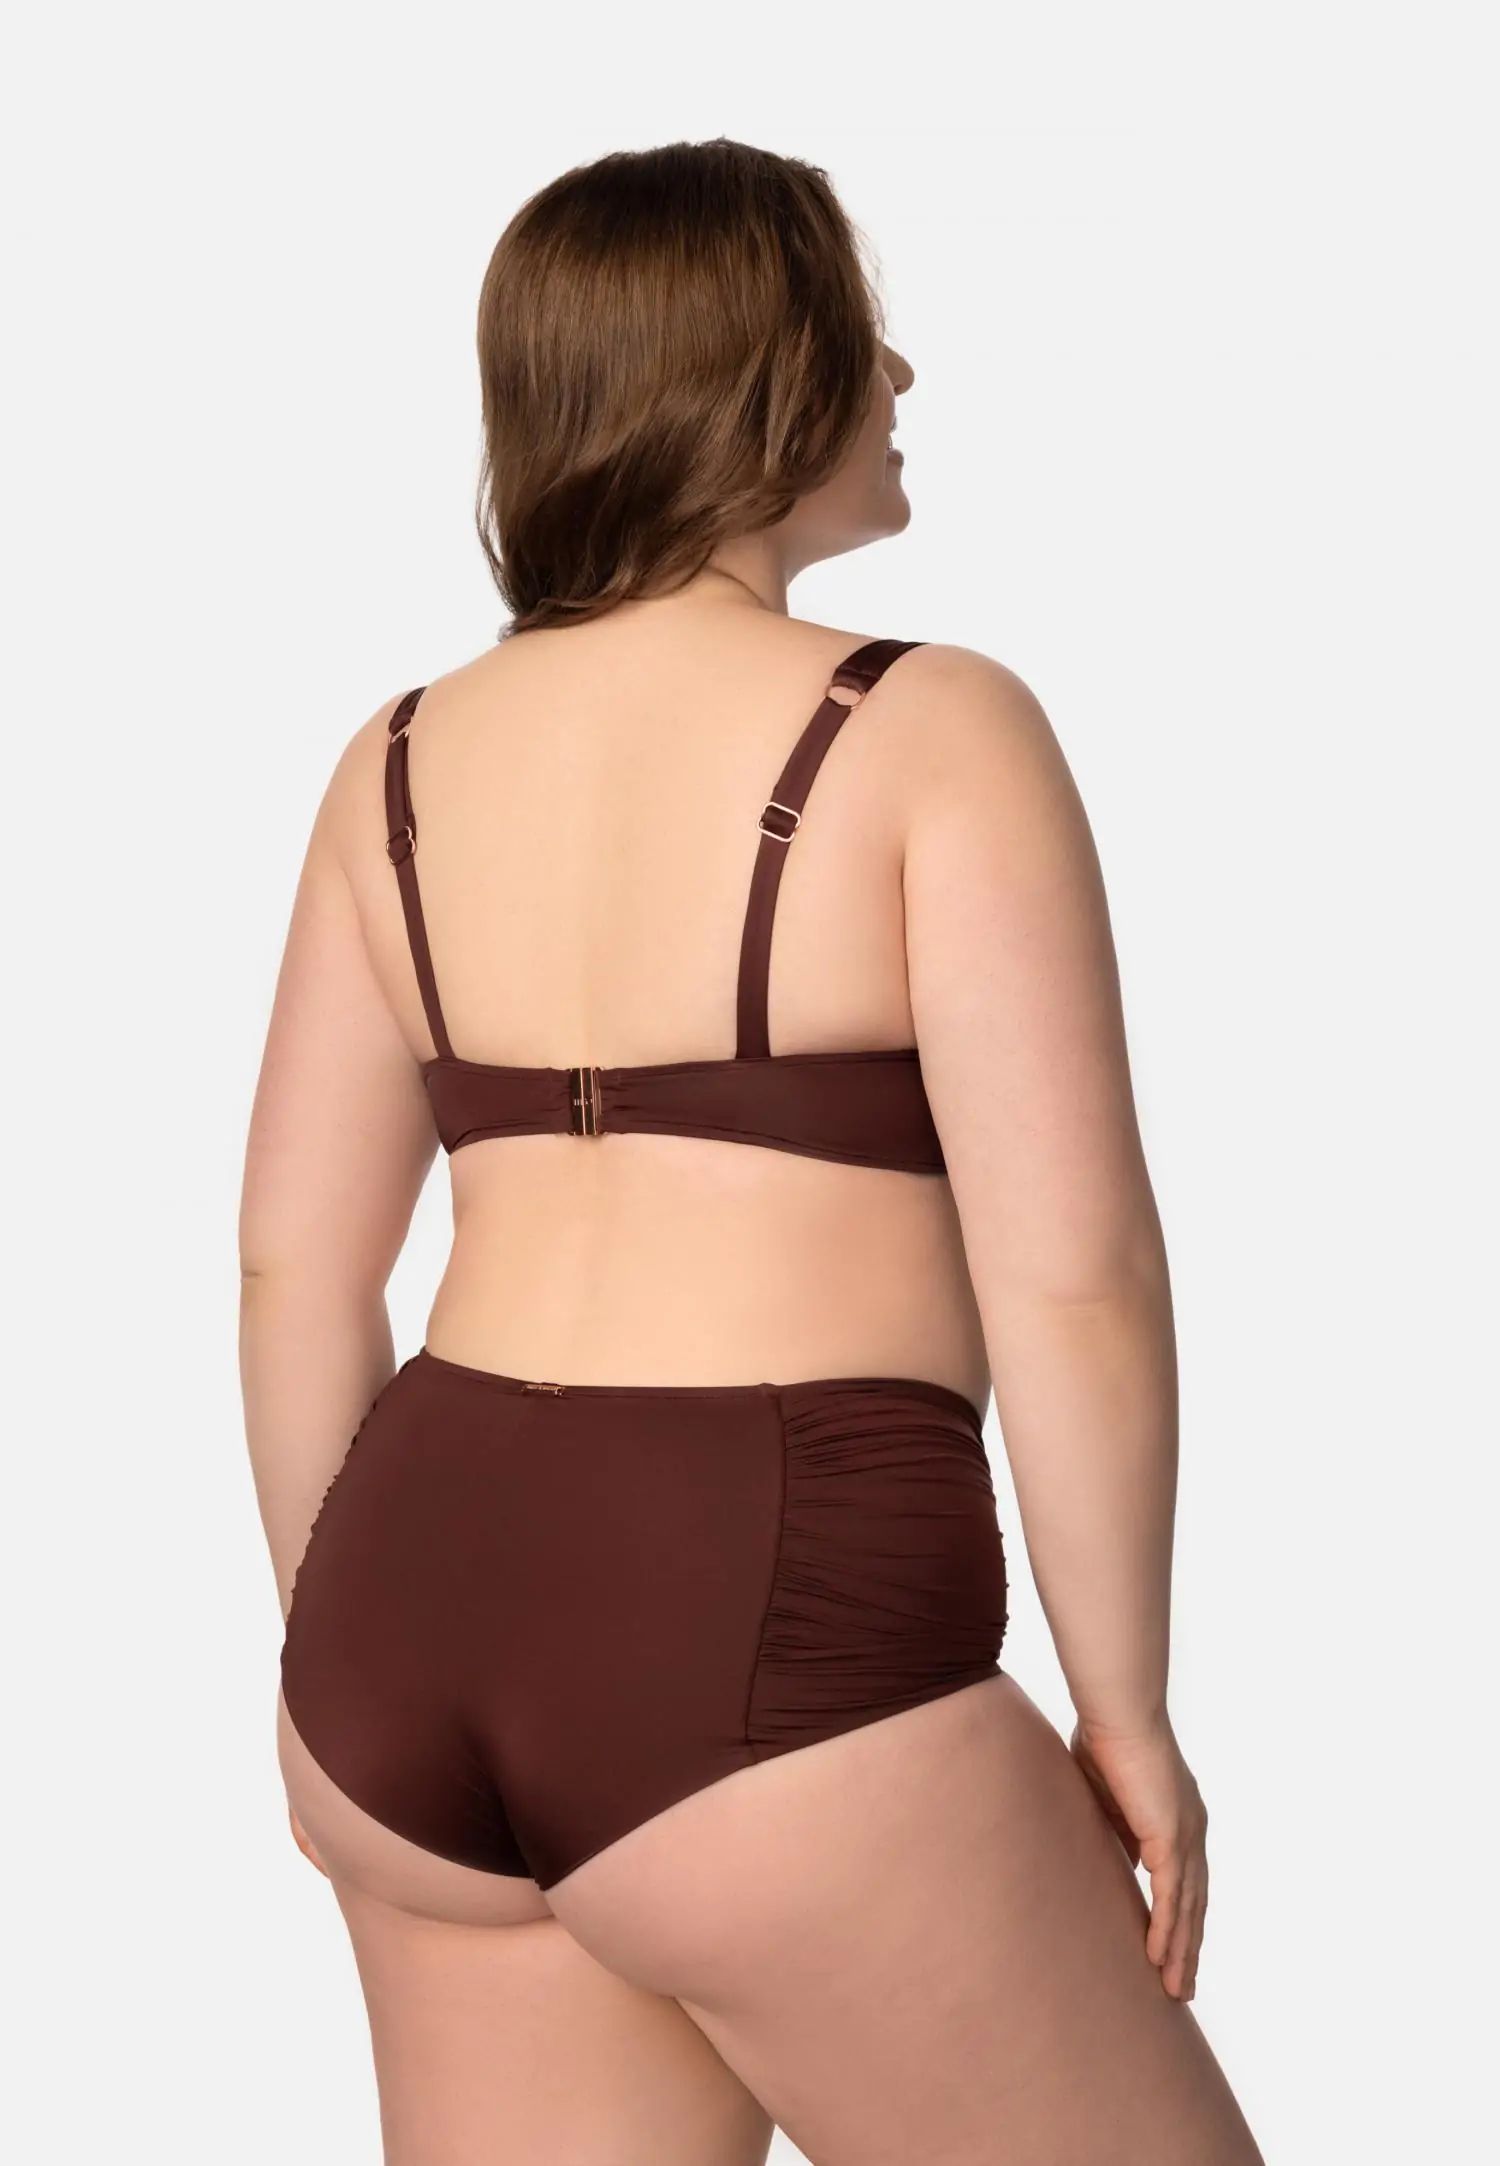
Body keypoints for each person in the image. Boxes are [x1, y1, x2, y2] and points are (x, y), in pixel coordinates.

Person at [239, 137, 1263, 2166]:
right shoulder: (932, 728)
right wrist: (1124, 1707)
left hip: (401, 1614)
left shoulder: (396, 764)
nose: (902, 374)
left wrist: (359, 1639)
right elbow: (1073, 1275)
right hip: (763, 1608)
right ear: (755, 375)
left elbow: (294, 1268)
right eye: (858, 330)